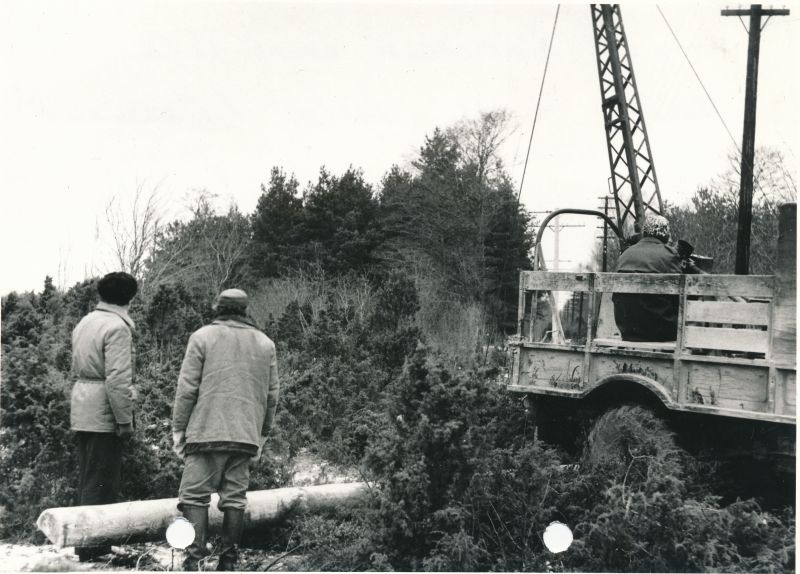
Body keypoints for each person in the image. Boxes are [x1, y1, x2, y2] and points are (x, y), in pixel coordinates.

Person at [172, 288, 280, 571]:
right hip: (245, 436)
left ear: (218, 308)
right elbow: (272, 397)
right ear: (245, 310)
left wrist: (178, 429)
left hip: (205, 433)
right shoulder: (265, 344)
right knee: (235, 499)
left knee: (194, 496)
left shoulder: (202, 337)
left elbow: (186, 390)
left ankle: (194, 562)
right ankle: (228, 562)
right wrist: (262, 436)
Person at [70, 272, 138, 562]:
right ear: (131, 297)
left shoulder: (86, 321)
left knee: (89, 475)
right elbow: (117, 379)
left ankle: (89, 544)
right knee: (103, 479)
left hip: (82, 405)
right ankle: (93, 547)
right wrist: (124, 420)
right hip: (103, 411)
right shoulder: (118, 327)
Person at [612, 214, 682, 342]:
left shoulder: (625, 255)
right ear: (665, 234)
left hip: (627, 330)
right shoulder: (670, 256)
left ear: (644, 232)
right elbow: (679, 299)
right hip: (661, 332)